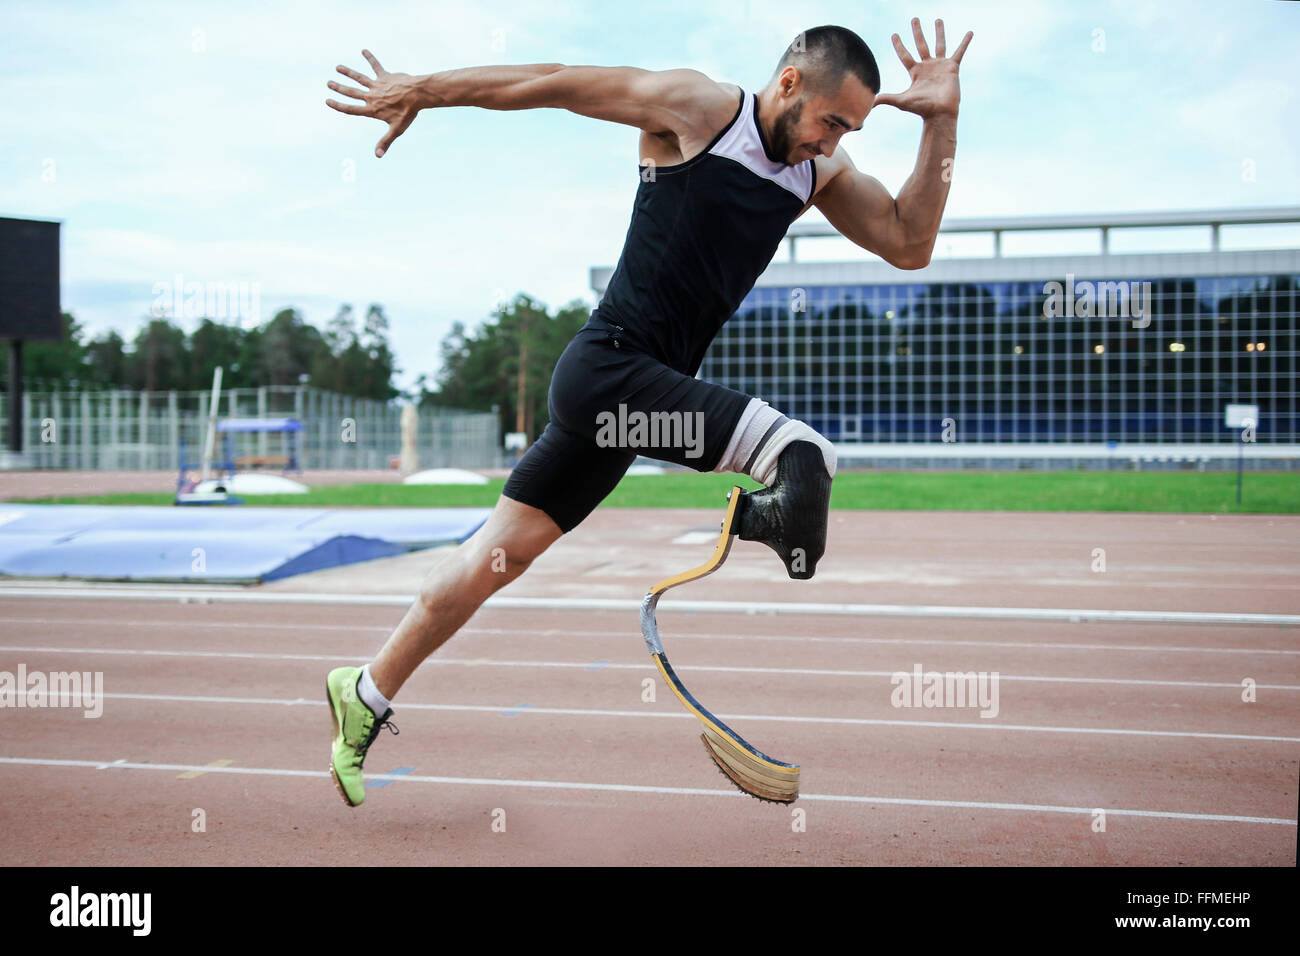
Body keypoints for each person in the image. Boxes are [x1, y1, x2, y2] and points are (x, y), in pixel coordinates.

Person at [322, 20, 972, 806]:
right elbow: (554, 79)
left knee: (501, 553)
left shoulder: (819, 172)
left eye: (851, 131)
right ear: (791, 84)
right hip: (608, 373)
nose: (832, 143)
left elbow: (910, 242)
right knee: (800, 457)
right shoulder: (697, 109)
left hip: (631, 401)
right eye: (831, 122)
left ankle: (366, 689)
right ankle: (760, 514)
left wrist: (941, 121)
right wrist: (422, 89)